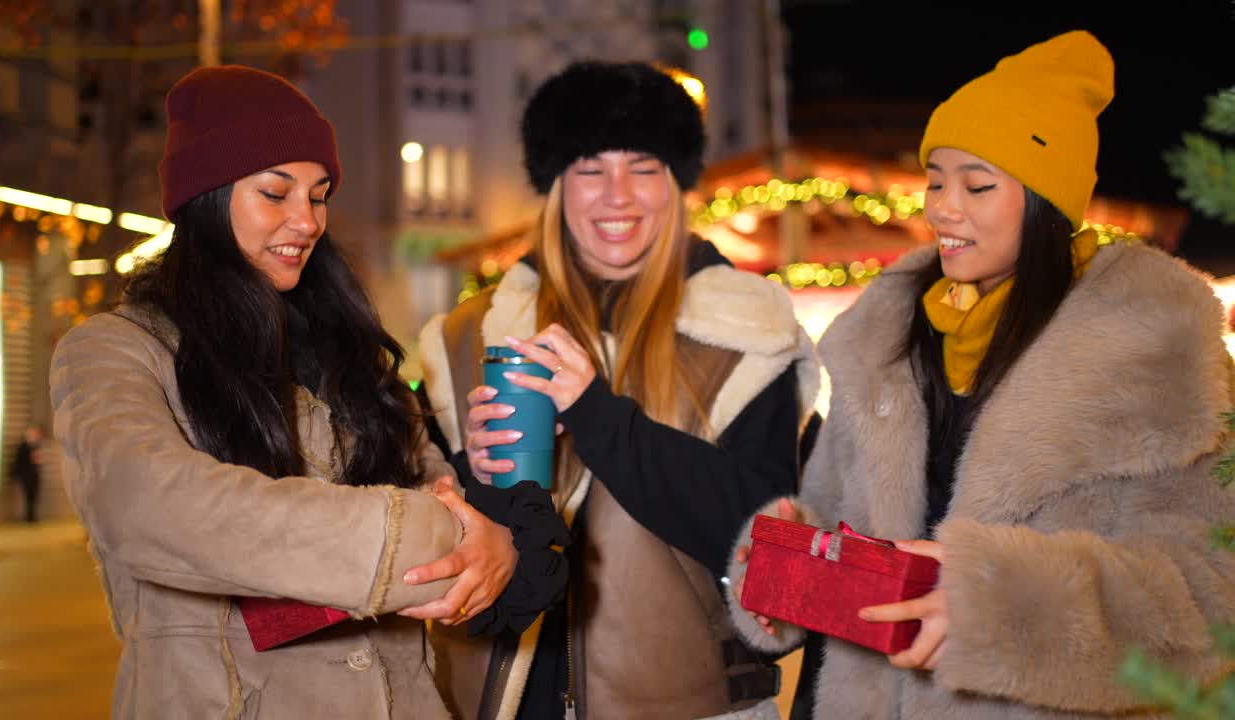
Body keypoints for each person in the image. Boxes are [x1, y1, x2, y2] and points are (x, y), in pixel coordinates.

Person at [727, 30, 1235, 719]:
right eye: (936, 180)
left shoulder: (1156, 349)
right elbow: (831, 516)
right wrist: (785, 557)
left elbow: (1208, 596)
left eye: (977, 184)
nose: (942, 207)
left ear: (1046, 202)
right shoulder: (888, 339)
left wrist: (999, 611)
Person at [49, 65, 519, 719]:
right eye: (275, 193)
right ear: (206, 199)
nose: (307, 220)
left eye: (319, 195)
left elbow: (442, 492)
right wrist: (403, 534)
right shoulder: (117, 348)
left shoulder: (347, 349)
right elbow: (146, 505)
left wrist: (492, 544)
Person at [419, 60, 820, 720]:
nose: (617, 195)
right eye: (589, 168)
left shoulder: (748, 332)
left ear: (676, 183)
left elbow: (767, 541)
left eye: (642, 166)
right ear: (555, 187)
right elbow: (437, 547)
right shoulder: (467, 336)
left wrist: (598, 416)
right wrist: (476, 479)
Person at [10, 424, 45, 522]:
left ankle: (31, 516)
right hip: (26, 476)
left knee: (33, 497)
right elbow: (20, 462)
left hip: (33, 475)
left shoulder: (35, 447)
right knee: (28, 497)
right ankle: (29, 517)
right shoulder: (24, 447)